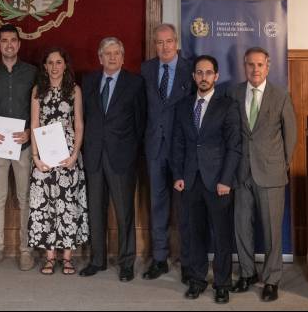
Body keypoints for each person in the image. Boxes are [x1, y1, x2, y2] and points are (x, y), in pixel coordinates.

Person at [172, 55, 241, 304]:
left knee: (222, 235)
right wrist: (178, 175)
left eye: (208, 73)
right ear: (193, 76)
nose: (203, 77)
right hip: (190, 180)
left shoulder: (227, 106)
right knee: (195, 233)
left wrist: (226, 180)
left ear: (216, 76)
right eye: (199, 73)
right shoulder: (183, 105)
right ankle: (197, 279)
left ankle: (222, 283)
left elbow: (234, 147)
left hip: (218, 182)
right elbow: (178, 143)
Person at [229, 47, 296, 302]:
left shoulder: (281, 95)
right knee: (242, 227)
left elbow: (290, 136)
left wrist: (280, 165)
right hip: (241, 173)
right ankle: (247, 273)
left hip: (271, 173)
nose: (255, 69)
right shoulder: (234, 93)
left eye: (260, 64)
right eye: (250, 64)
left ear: (268, 66)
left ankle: (271, 279)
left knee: (271, 231)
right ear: (244, 66)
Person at [80, 37, 146, 282]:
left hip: (122, 158)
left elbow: (140, 123)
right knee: (95, 210)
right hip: (94, 155)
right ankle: (97, 260)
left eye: (116, 53)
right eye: (107, 54)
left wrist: (131, 154)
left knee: (124, 212)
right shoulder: (88, 81)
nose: (112, 57)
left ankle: (126, 262)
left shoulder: (135, 83)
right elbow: (85, 117)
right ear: (100, 58)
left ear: (123, 57)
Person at [0, 24, 37, 272]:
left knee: (26, 198)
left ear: (19, 44)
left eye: (13, 40)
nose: (9, 44)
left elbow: (41, 106)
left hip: (23, 145)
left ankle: (26, 250)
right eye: (4, 41)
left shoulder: (33, 72)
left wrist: (30, 132)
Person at [140, 24, 194, 283]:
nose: (164, 47)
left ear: (176, 43)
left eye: (169, 41)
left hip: (182, 149)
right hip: (154, 147)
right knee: (158, 204)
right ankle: (160, 259)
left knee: (185, 207)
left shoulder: (189, 69)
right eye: (159, 42)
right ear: (155, 45)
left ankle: (187, 262)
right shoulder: (146, 69)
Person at [28, 47, 89, 276]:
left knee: (68, 205)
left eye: (59, 62)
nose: (54, 67)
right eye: (50, 63)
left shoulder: (74, 90)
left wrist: (74, 155)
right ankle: (50, 257)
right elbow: (34, 123)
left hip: (67, 155)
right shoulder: (38, 90)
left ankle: (67, 258)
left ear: (65, 65)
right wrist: (35, 157)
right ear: (45, 66)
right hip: (44, 154)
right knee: (46, 206)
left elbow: (79, 124)